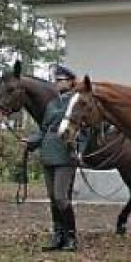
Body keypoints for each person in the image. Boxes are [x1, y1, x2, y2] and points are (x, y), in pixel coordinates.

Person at [25, 64, 80, 252]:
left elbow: (83, 129)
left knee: (61, 197)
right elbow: (44, 128)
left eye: (60, 80)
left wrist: (77, 147)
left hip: (65, 154)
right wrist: (32, 141)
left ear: (71, 82)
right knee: (52, 198)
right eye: (55, 80)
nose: (56, 83)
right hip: (48, 153)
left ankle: (71, 236)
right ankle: (58, 236)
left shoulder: (76, 101)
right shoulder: (52, 103)